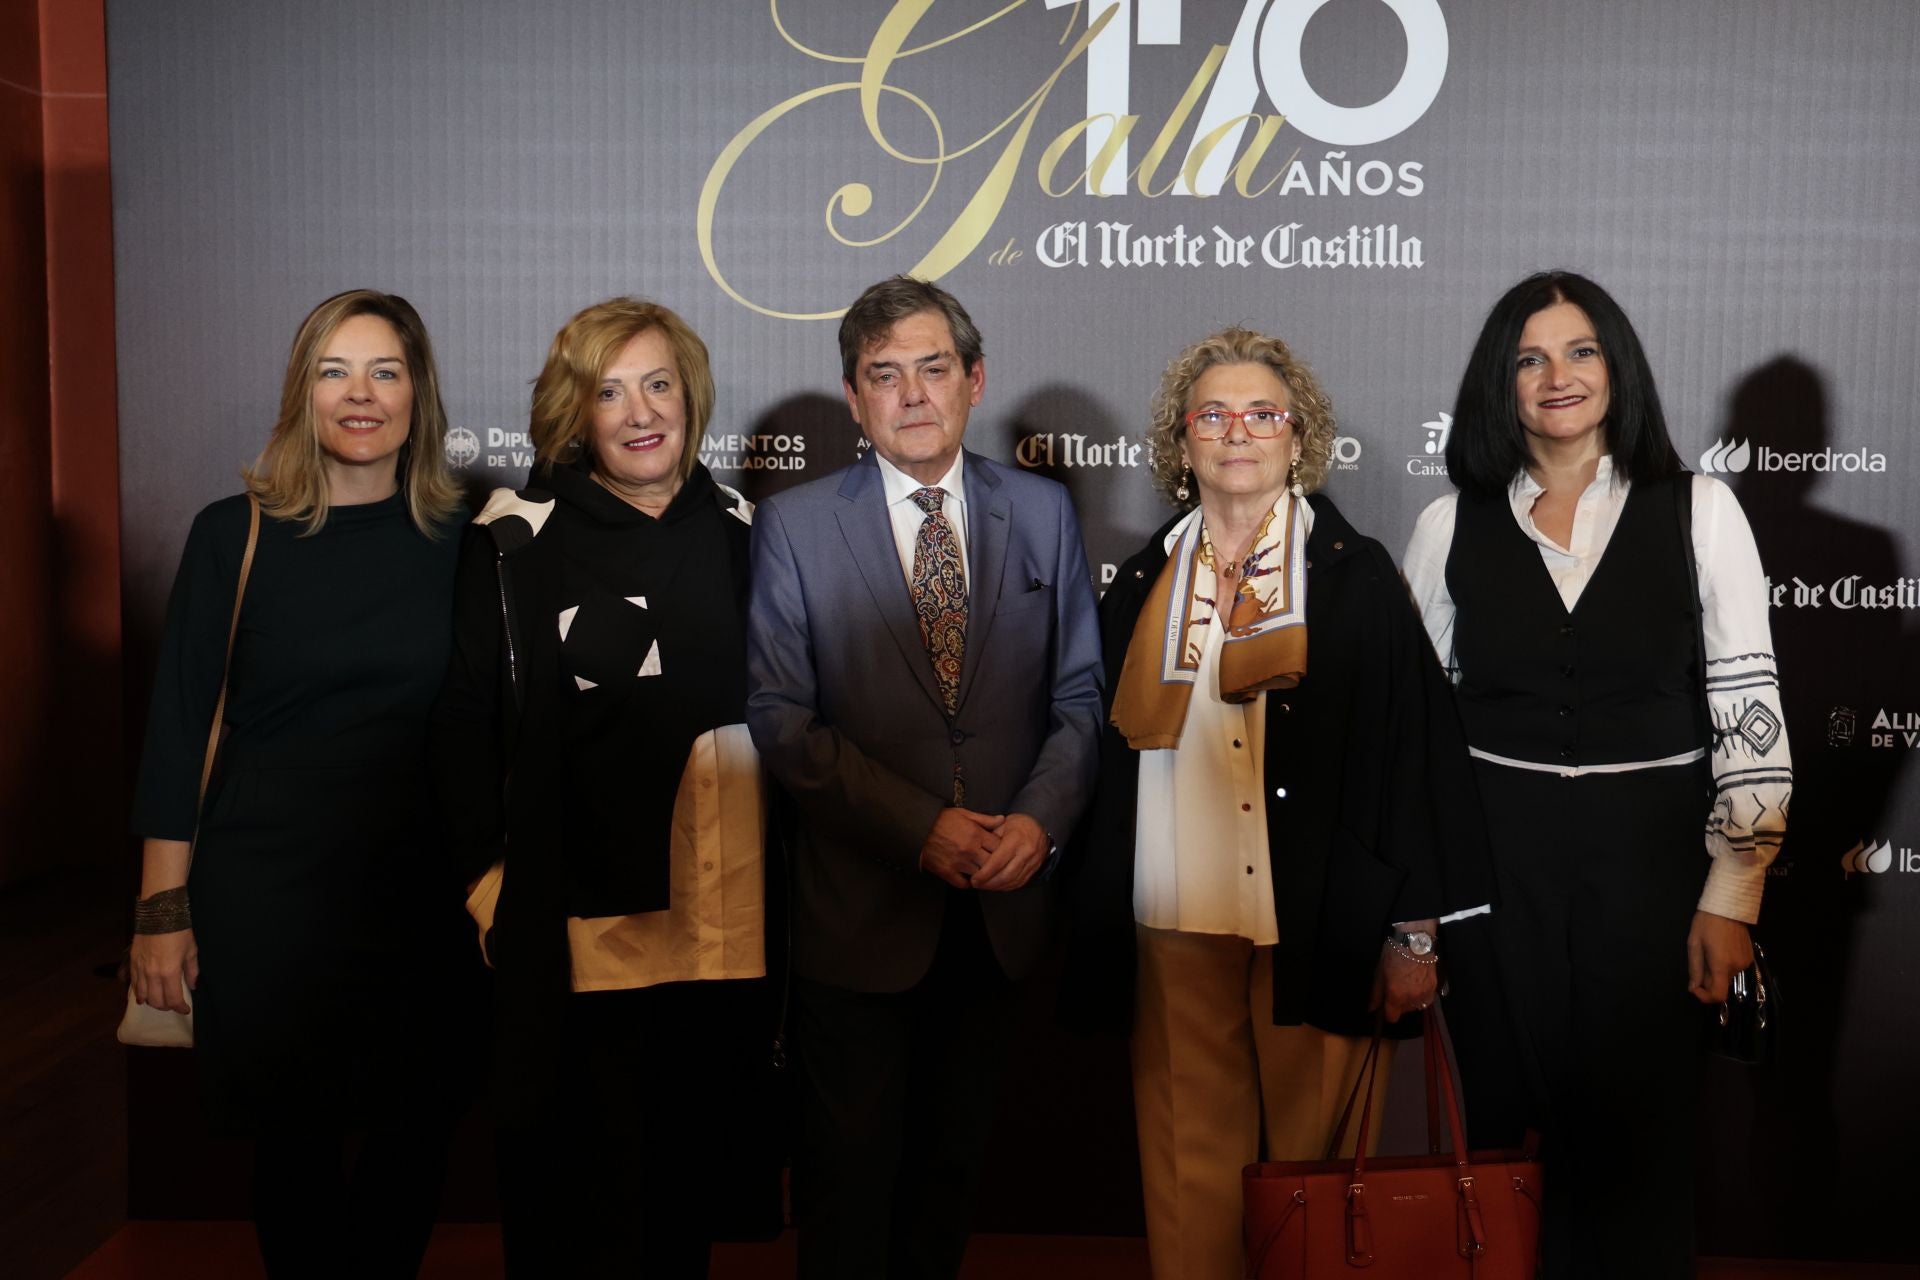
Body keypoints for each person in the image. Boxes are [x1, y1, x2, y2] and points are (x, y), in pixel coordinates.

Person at [1058, 327, 1493, 1279]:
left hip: (1321, 926)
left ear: (1299, 439)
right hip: (1170, 926)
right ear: (1183, 442)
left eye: (1262, 413)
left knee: (1316, 1190)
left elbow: (1413, 757)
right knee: (1188, 1184)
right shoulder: (1142, 580)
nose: (1237, 431)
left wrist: (1415, 935)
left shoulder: (1355, 573)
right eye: (1212, 414)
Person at [1402, 271, 1791, 1278]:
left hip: (1655, 873)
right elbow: (1416, 735)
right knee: (1502, 1134)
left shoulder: (1700, 508)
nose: (1556, 375)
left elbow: (1750, 716)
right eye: (1529, 357)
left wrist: (1733, 892)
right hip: (1493, 874)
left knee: (1642, 1140)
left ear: (1617, 366)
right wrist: (1416, 910)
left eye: (1580, 350)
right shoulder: (1451, 523)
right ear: (1501, 382)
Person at [745, 275, 1103, 1280]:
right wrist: (922, 827)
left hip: (998, 916)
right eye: (883, 375)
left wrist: (1038, 822)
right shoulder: (797, 524)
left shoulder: (1041, 511)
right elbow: (781, 715)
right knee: (846, 1194)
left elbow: (1080, 694)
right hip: (858, 916)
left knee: (948, 1188)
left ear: (974, 379)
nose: (911, 395)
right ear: (855, 398)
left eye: (932, 368)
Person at [126, 289, 474, 1277]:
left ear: (419, 393)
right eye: (335, 371)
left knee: (419, 1131)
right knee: (296, 1149)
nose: (360, 395)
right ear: (303, 393)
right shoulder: (230, 531)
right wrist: (161, 906)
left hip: (423, 892)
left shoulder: (470, 538)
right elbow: (180, 722)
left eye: (385, 371)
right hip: (268, 899)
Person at [431, 297, 779, 1276]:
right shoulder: (516, 542)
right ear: (573, 413)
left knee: (685, 1213)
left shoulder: (754, 535)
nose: (640, 411)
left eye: (658, 383)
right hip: (582, 943)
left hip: (726, 939)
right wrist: (491, 886)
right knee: (576, 1212)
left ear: (691, 396)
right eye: (609, 390)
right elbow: (461, 726)